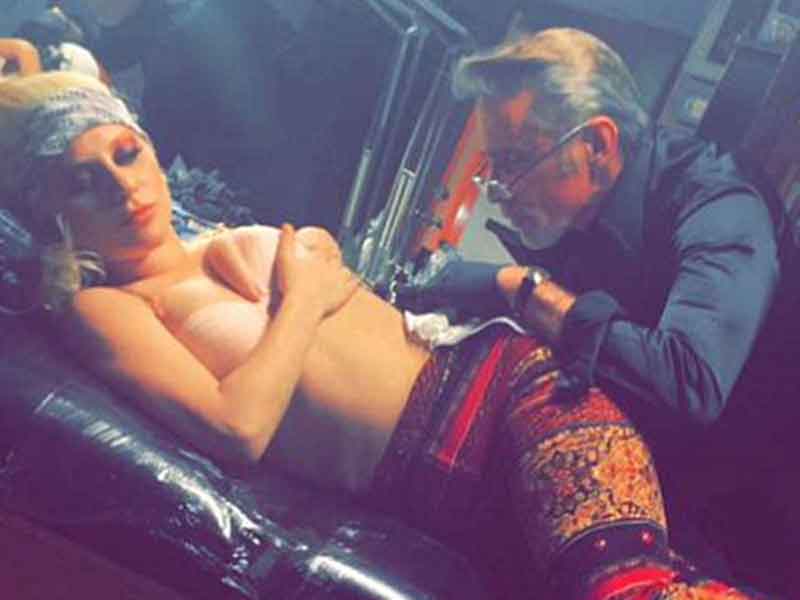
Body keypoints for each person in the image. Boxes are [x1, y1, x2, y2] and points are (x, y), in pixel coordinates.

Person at [0, 70, 770, 599]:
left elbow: (342, 285)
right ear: (47, 213)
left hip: (512, 396)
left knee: (635, 591)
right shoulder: (107, 306)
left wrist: (312, 260)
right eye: (84, 182)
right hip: (442, 486)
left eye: (126, 153)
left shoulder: (221, 242)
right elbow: (238, 427)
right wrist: (304, 297)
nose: (123, 186)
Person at [398, 26, 789, 591]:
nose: (497, 190)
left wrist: (527, 290)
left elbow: (688, 382)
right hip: (643, 484)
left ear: (598, 147)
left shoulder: (720, 205)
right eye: (492, 167)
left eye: (514, 163)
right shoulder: (574, 221)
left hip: (752, 532)